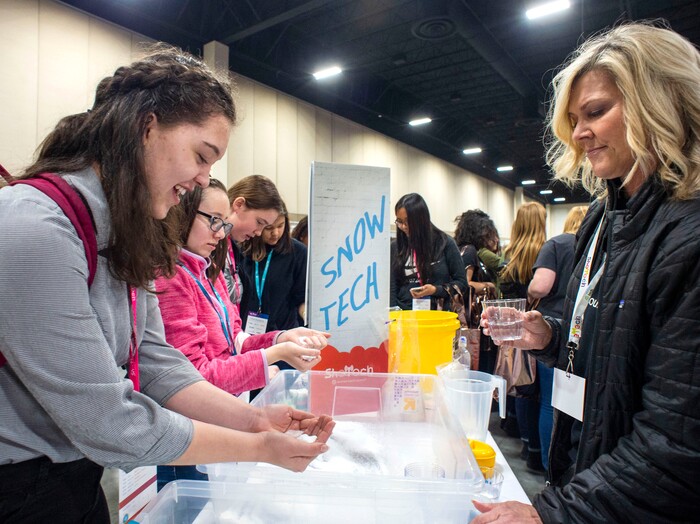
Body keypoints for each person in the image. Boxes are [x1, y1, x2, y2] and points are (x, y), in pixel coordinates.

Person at [0, 46, 333, 523]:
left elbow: (158, 364)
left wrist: (256, 417)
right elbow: (109, 421)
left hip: (75, 479)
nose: (201, 179)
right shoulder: (36, 228)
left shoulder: (121, 232)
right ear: (145, 127)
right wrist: (258, 446)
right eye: (201, 156)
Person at [475, 22, 700, 523]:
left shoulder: (687, 234)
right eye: (574, 118)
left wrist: (552, 514)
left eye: (596, 112)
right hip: (589, 473)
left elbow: (676, 444)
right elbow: (620, 348)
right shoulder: (604, 216)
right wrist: (552, 337)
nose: (578, 133)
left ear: (660, 103)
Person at [154, 179, 326, 488]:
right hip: (190, 428)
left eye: (223, 224)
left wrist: (281, 338)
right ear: (183, 212)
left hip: (221, 416)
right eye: (214, 222)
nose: (221, 233)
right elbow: (196, 380)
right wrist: (276, 353)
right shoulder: (171, 277)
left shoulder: (207, 270)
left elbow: (235, 337)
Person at [527, 205, 587, 474]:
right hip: (583, 332)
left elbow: (540, 285)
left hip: (551, 330)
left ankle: (546, 465)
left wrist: (529, 293)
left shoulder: (557, 244)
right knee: (571, 407)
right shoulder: (594, 246)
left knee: (549, 404)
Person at [499, 201, 547, 473]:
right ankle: (538, 453)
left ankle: (526, 443)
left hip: (511, 329)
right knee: (539, 392)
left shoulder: (509, 257)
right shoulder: (546, 253)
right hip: (539, 328)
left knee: (521, 383)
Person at [240, 201, 308, 350]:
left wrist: (307, 315)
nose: (275, 233)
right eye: (269, 228)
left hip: (284, 337)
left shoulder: (298, 252)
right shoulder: (242, 249)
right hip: (246, 338)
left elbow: (301, 298)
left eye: (280, 226)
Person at [390, 193, 467, 310]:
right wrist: (392, 314)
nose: (404, 226)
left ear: (421, 220)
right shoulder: (396, 247)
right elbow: (392, 286)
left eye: (408, 221)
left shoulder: (445, 243)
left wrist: (435, 290)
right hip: (404, 316)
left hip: (437, 314)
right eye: (400, 221)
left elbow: (461, 283)